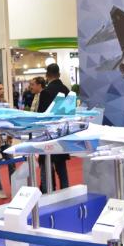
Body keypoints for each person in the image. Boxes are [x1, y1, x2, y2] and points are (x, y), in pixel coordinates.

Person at [43, 63, 70, 191]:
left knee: (46, 165)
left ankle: (49, 191)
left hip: (48, 134)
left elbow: (42, 115)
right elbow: (70, 113)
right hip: (63, 132)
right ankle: (66, 191)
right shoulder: (66, 90)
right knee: (61, 166)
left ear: (47, 75)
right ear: (59, 74)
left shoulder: (46, 92)